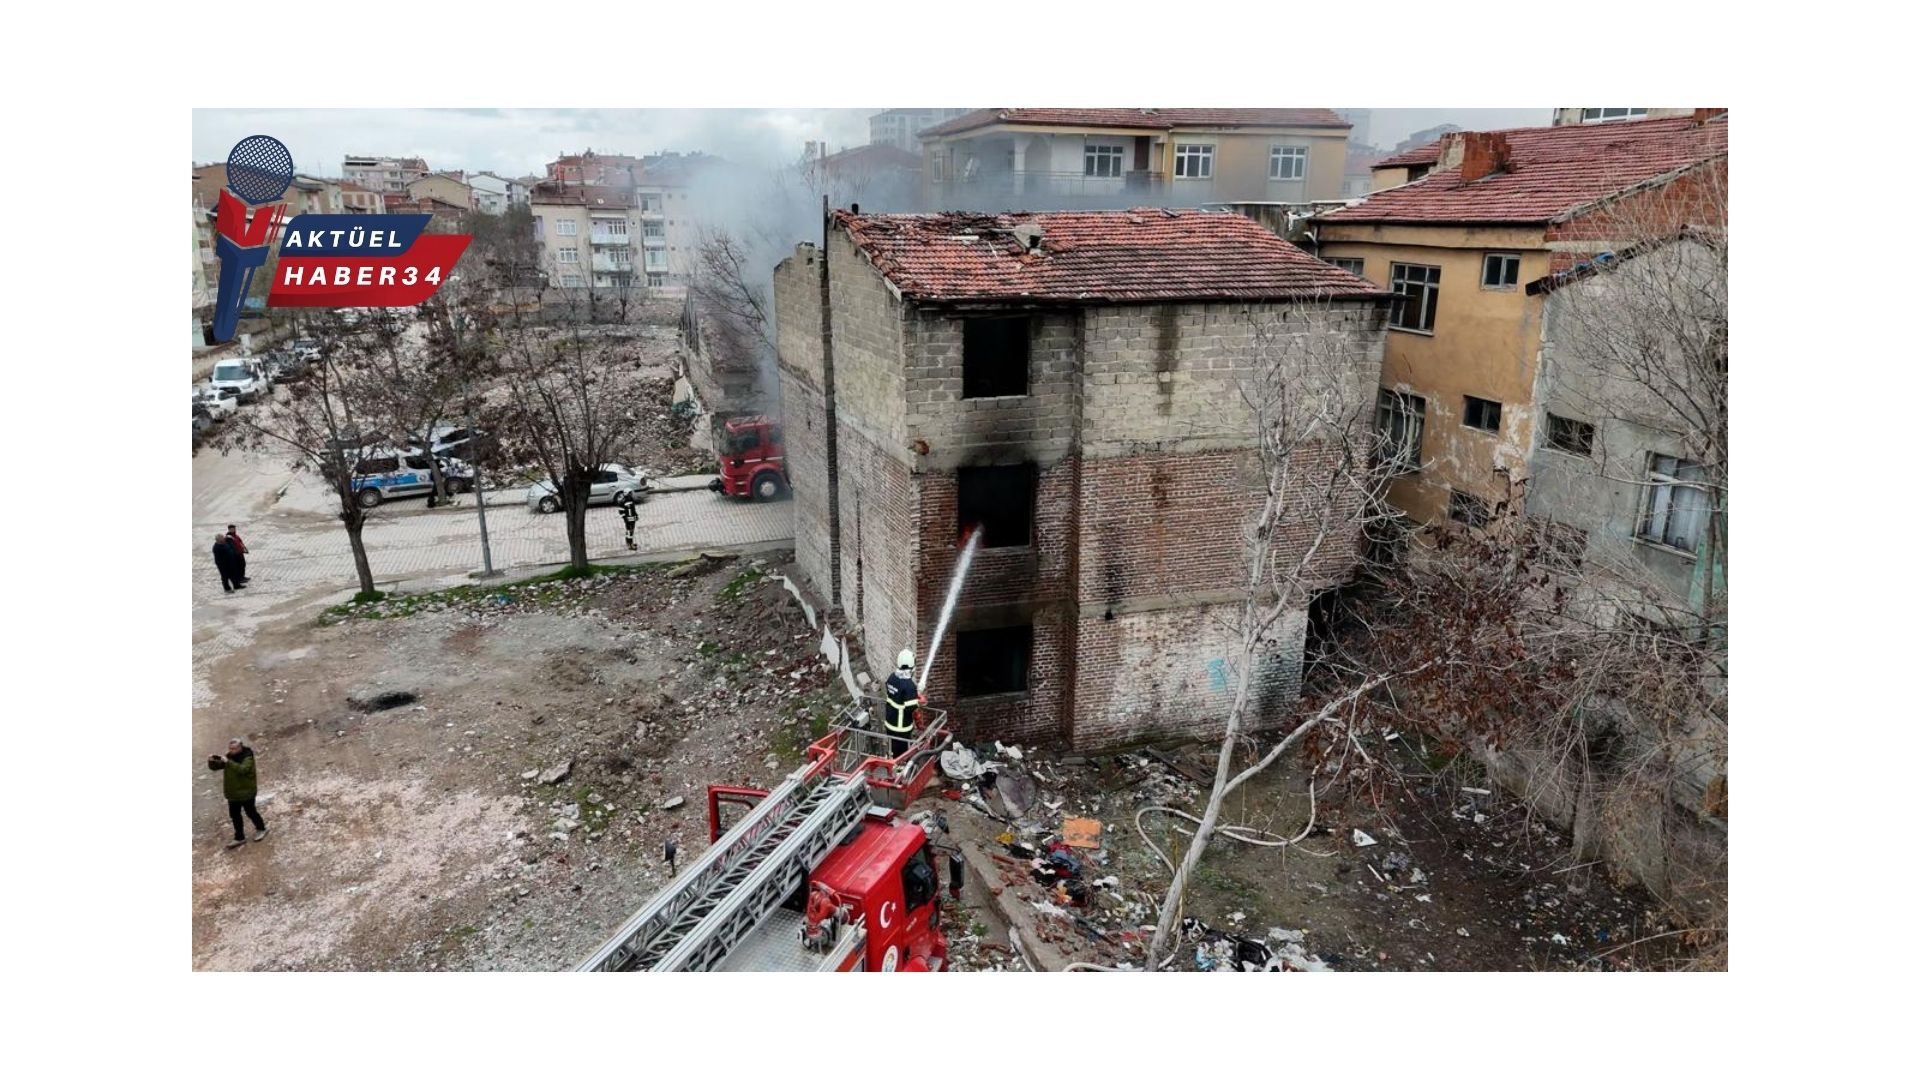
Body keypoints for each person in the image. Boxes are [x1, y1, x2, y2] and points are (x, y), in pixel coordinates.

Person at [208, 739, 268, 848]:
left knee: (251, 812)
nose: (231, 751)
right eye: (230, 749)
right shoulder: (229, 757)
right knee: (235, 816)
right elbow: (215, 767)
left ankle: (262, 829)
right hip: (233, 794)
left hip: (246, 793)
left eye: (234, 749)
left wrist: (228, 762)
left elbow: (243, 770)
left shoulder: (247, 757)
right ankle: (239, 837)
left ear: (240, 747)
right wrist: (212, 761)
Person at [882, 649, 922, 758]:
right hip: (901, 727)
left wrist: (914, 694)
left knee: (892, 748)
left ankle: (890, 761)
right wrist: (918, 699)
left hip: (890, 723)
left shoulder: (892, 677)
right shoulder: (909, 686)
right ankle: (899, 770)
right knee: (901, 755)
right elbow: (911, 708)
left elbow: (897, 695)